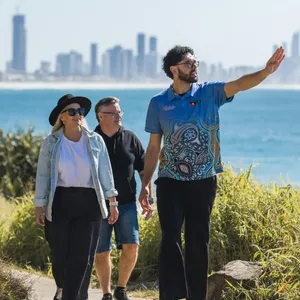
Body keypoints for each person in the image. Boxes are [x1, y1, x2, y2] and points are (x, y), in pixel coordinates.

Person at [138, 45, 285, 300]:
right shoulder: (159, 103)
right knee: (170, 237)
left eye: (196, 62)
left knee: (198, 242)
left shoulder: (209, 93)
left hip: (203, 182)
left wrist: (265, 72)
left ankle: (196, 296)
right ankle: (171, 295)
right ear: (174, 70)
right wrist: (145, 182)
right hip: (170, 180)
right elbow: (153, 147)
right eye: (189, 63)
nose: (195, 67)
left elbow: (239, 84)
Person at [33, 94, 119, 300]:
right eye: (71, 111)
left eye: (80, 111)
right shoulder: (51, 142)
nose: (77, 115)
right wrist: (39, 205)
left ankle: (73, 296)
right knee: (60, 255)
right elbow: (43, 175)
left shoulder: (95, 140)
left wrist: (113, 201)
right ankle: (63, 288)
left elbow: (105, 173)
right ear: (61, 117)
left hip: (89, 203)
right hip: (60, 201)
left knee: (82, 257)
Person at [93, 96, 152, 300]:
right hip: (98, 205)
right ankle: (106, 293)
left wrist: (147, 192)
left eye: (120, 112)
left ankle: (121, 289)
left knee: (132, 245)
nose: (119, 116)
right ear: (101, 116)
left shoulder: (130, 138)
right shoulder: (91, 140)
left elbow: (143, 169)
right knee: (102, 250)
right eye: (114, 113)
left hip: (127, 203)